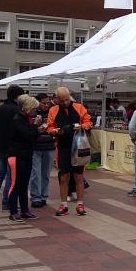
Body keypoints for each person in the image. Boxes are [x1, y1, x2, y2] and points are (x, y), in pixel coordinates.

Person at [48, 87, 93, 216]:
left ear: (70, 96)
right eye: (62, 101)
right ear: (56, 99)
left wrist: (81, 127)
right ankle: (64, 205)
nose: (65, 103)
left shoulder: (79, 107)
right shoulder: (53, 110)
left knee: (79, 176)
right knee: (64, 176)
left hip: (78, 146)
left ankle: (80, 204)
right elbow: (50, 127)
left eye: (67, 99)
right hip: (63, 146)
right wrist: (55, 131)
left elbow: (88, 122)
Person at [0, 85, 24, 212]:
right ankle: (6, 202)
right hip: (12, 148)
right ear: (17, 96)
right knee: (10, 177)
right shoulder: (17, 110)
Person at [7, 95, 41, 222]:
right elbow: (27, 135)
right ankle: (13, 211)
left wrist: (36, 129)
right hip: (16, 156)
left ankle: (25, 210)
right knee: (15, 184)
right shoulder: (17, 120)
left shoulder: (25, 119)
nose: (34, 111)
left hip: (26, 155)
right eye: (33, 109)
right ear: (27, 108)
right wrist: (36, 127)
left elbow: (31, 137)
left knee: (23, 184)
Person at [29, 94, 54, 208]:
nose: (46, 105)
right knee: (35, 173)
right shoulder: (32, 113)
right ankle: (36, 197)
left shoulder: (52, 113)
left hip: (49, 146)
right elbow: (29, 130)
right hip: (36, 147)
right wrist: (36, 126)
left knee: (46, 174)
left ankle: (44, 196)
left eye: (48, 103)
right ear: (38, 102)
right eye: (44, 103)